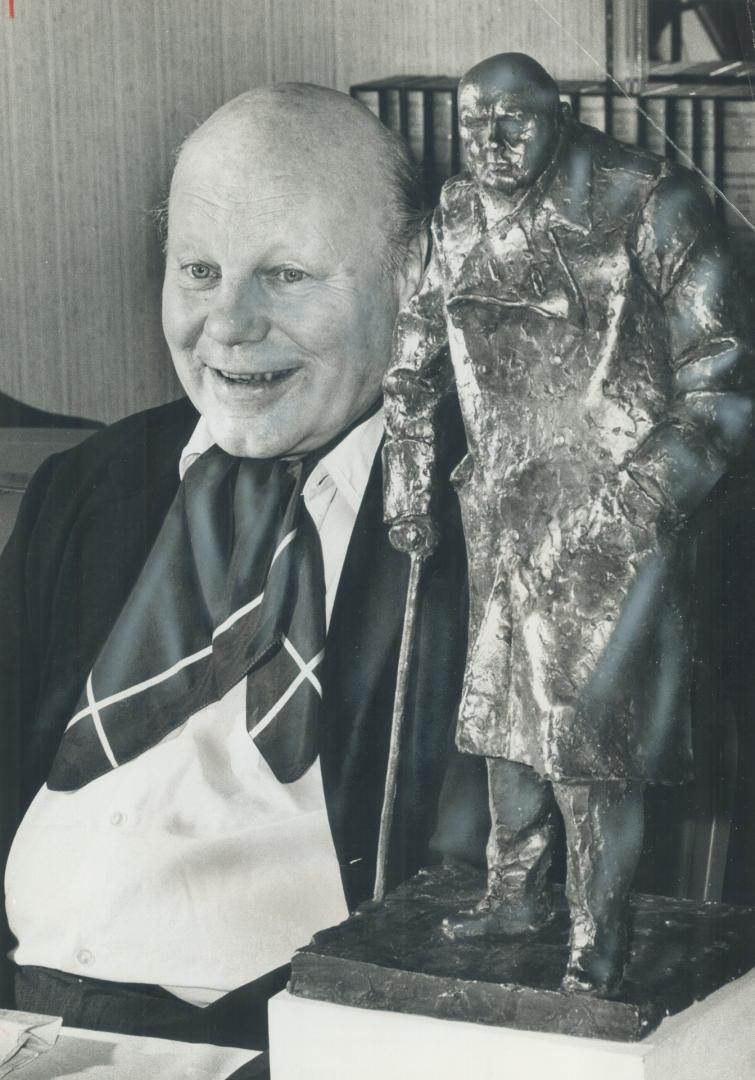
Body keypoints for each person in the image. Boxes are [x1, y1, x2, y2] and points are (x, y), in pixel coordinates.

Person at [0, 84, 478, 1050]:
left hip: (290, 1046)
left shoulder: (483, 517)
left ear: (413, 275)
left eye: (288, 275)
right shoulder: (88, 488)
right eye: (199, 270)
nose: (226, 323)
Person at [384, 53, 755, 992]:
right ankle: (514, 892)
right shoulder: (455, 217)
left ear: (560, 115)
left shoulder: (648, 201)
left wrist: (638, 503)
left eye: (514, 121)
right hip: (502, 511)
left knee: (592, 740)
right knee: (504, 721)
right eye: (474, 125)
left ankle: (598, 935)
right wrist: (411, 483)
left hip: (617, 516)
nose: (492, 144)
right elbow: (410, 368)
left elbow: (719, 381)